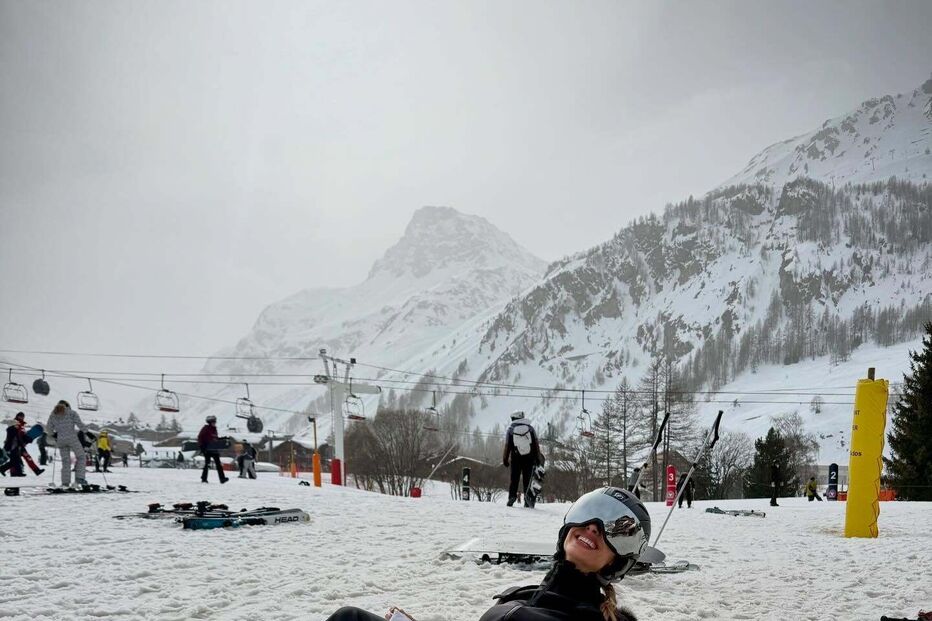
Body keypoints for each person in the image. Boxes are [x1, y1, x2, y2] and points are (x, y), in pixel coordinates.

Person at [323, 487, 646, 621]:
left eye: (615, 530)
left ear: (616, 561)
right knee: (349, 617)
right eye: (590, 514)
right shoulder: (532, 594)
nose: (593, 528)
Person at [46, 401, 92, 488]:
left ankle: (65, 483)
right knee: (81, 456)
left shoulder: (53, 415)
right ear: (67, 406)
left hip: (61, 440)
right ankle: (79, 479)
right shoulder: (71, 413)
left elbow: (48, 428)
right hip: (72, 438)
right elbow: (80, 424)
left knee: (65, 461)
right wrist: (88, 433)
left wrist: (54, 434)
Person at [502, 411, 540, 507]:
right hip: (529, 458)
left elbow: (507, 446)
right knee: (527, 479)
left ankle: (512, 497)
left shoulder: (511, 429)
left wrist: (505, 459)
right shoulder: (530, 429)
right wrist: (537, 458)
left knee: (514, 478)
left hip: (516, 458)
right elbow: (536, 444)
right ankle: (527, 500)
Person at [1, 412, 44, 477]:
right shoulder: (14, 422)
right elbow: (14, 434)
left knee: (24, 458)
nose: (21, 417)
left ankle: (36, 470)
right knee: (16, 460)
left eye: (22, 416)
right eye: (20, 416)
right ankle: (14, 473)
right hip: (15, 445)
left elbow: (22, 435)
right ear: (17, 416)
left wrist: (28, 438)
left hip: (21, 445)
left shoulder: (22, 425)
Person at [197, 415, 228, 484]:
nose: (214, 423)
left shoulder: (214, 430)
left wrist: (222, 439)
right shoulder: (205, 428)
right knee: (207, 464)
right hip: (207, 449)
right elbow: (200, 437)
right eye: (213, 422)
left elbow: (215, 439)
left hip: (214, 449)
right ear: (210, 422)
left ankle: (222, 479)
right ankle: (204, 478)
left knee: (218, 464)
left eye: (215, 422)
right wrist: (202, 447)